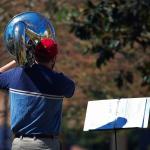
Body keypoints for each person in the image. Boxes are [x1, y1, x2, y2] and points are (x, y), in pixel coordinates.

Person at [0, 38, 75, 150]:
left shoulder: (17, 75)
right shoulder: (60, 82)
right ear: (54, 58)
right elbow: (71, 90)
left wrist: (17, 59)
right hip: (48, 145)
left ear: (34, 55)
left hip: (20, 144)